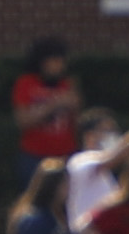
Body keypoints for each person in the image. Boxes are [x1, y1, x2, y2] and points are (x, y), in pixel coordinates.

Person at [9, 40, 78, 181]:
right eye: (55, 61)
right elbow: (22, 121)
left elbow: (77, 120)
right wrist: (53, 105)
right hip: (34, 156)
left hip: (65, 154)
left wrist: (74, 104)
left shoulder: (67, 84)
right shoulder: (26, 83)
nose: (60, 66)